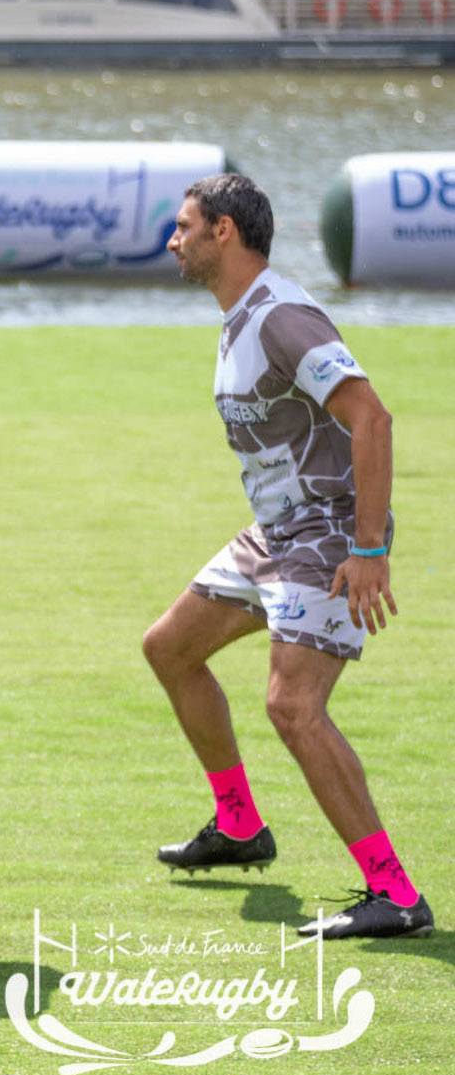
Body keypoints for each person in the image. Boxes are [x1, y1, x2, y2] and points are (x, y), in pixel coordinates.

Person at [145, 172, 432, 940]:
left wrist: (368, 548)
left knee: (293, 706)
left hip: (331, 533)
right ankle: (239, 826)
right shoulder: (240, 317)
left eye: (184, 226)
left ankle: (395, 893)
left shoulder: (282, 317)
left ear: (224, 233)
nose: (173, 240)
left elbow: (371, 417)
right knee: (170, 647)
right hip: (276, 534)